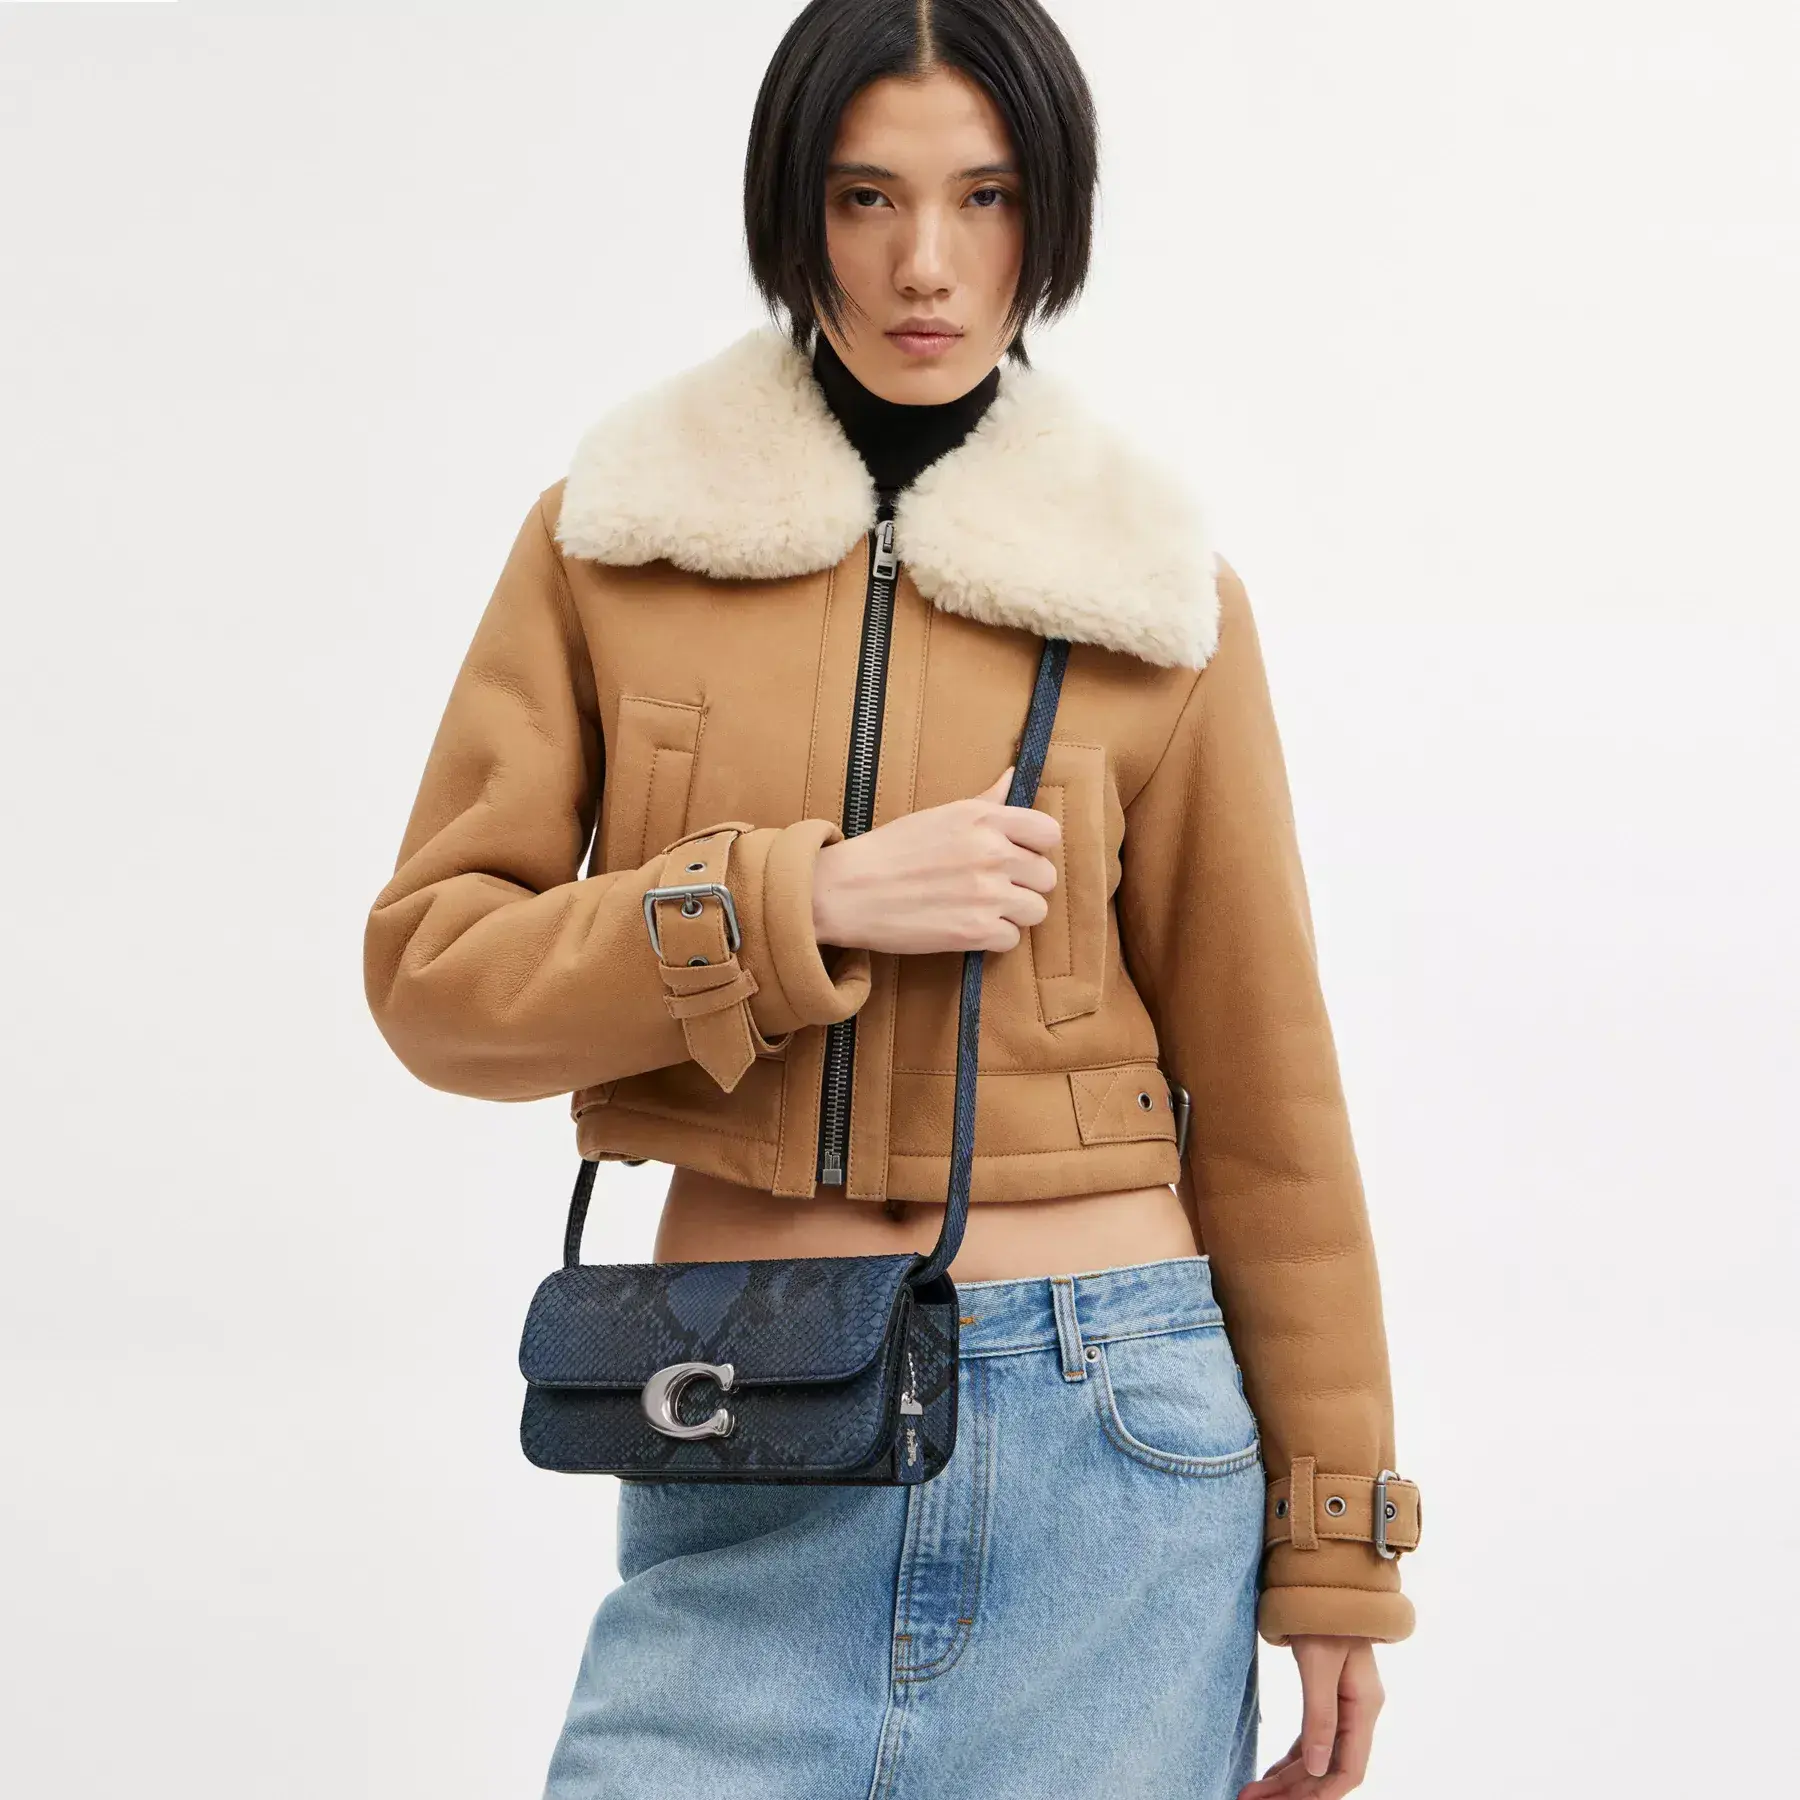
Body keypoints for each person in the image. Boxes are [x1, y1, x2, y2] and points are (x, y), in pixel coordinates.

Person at [362, 3, 1422, 1795]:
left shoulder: (1154, 596)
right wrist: (807, 900)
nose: (926, 262)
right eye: (867, 197)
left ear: (1049, 212)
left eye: (983, 197)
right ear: (797, 207)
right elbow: (435, 979)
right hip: (741, 1426)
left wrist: (1337, 1547)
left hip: (1112, 1443)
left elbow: (1270, 1106)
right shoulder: (614, 542)